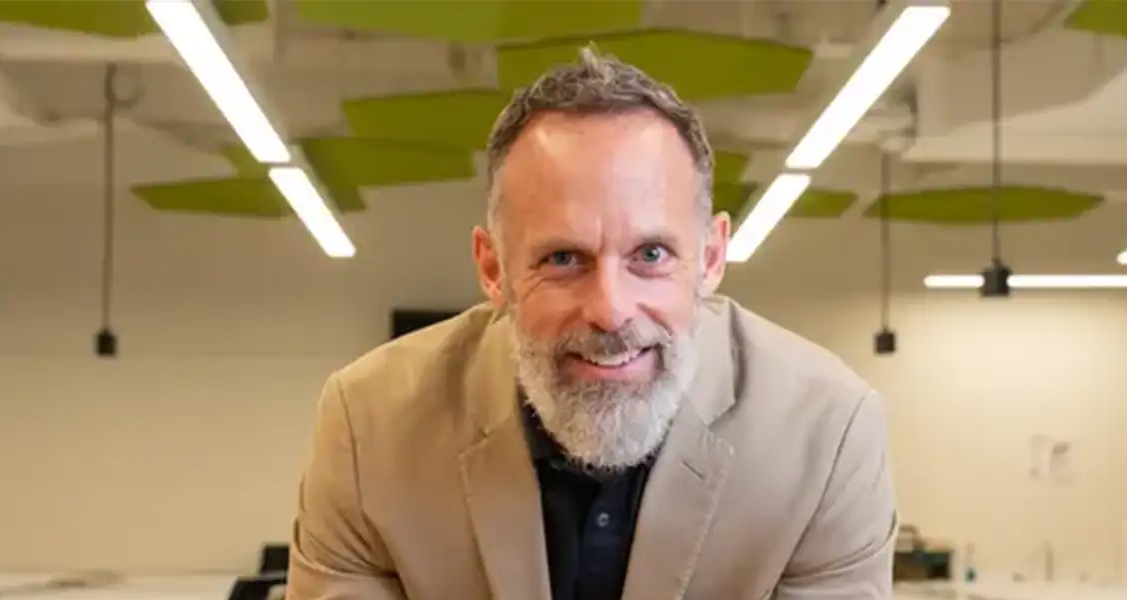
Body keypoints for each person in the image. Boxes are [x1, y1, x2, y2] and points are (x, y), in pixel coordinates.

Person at [286, 47, 896, 600]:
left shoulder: (827, 434)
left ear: (710, 258)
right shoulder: (368, 425)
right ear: (493, 268)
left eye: (650, 255)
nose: (610, 309)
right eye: (562, 258)